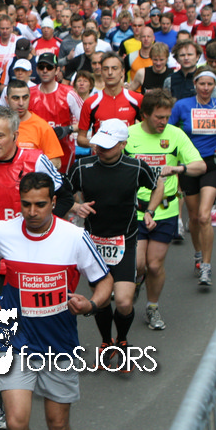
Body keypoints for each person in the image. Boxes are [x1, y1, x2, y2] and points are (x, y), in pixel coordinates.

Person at [0, 172, 113, 430]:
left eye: (40, 204)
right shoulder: (4, 232)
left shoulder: (74, 237)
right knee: (15, 422)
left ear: (53, 202)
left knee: (58, 424)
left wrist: (91, 305)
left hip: (59, 344)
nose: (32, 212)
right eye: (26, 204)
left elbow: (105, 281)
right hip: (16, 341)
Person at [0, 107, 72, 430]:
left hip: (31, 263)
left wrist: (44, 233)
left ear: (15, 135)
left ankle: (43, 379)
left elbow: (63, 196)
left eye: (0, 135)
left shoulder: (35, 161)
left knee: (38, 329)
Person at [69, 118, 164, 366]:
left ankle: (122, 339)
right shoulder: (82, 167)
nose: (100, 149)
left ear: (123, 144)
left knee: (123, 301)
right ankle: (106, 342)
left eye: (107, 146)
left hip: (125, 240)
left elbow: (158, 186)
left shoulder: (136, 167)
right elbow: (62, 193)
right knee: (100, 299)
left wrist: (150, 211)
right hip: (94, 242)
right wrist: (76, 206)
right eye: (99, 144)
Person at [124, 89, 206, 331]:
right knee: (138, 264)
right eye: (159, 117)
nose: (164, 122)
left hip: (165, 210)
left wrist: (178, 169)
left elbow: (200, 165)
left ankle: (152, 307)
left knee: (155, 265)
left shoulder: (176, 135)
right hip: (135, 210)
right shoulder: (129, 135)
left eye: (167, 117)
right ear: (145, 114)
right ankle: (137, 280)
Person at [169, 67, 216, 285]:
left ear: (215, 85)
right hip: (188, 165)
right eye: (202, 84)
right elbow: (170, 130)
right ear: (195, 84)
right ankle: (198, 253)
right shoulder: (182, 105)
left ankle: (206, 265)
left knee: (205, 216)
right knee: (195, 217)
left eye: (210, 84)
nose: (206, 88)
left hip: (211, 164)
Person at [28, 53, 82, 173]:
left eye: (49, 67)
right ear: (37, 70)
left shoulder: (69, 93)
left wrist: (68, 129)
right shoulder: (29, 94)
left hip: (63, 153)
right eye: (41, 67)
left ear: (57, 70)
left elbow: (86, 121)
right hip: (35, 154)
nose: (45, 70)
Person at [76, 52, 143, 149]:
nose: (110, 72)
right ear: (101, 72)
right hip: (101, 155)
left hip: (128, 155)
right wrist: (92, 143)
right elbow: (80, 138)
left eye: (114, 68)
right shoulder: (90, 103)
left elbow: (148, 129)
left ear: (122, 72)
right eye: (105, 69)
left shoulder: (137, 99)